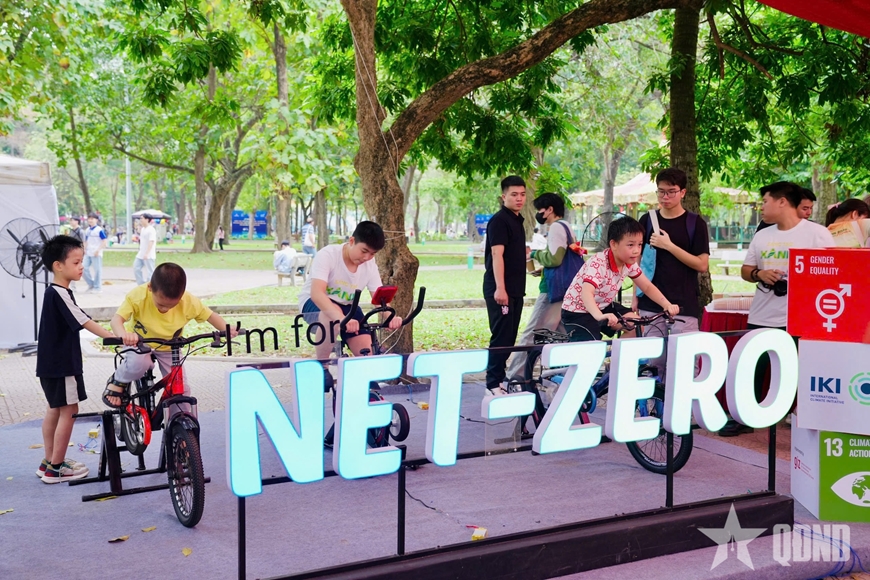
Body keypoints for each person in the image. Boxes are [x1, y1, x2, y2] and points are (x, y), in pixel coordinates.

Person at [721, 181, 836, 436]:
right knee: (754, 366)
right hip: (762, 313)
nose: (761, 207)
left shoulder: (817, 234)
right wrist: (760, 274)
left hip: (802, 317)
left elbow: (833, 272)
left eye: (765, 201)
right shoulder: (762, 235)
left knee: (796, 369)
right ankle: (745, 417)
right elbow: (746, 271)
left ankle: (801, 418)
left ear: (782, 201)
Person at [36, 235, 116, 482]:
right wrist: (115, 338)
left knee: (55, 408)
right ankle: (56, 467)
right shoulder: (59, 293)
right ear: (58, 266)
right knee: (70, 410)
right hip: (63, 366)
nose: (82, 266)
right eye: (76, 262)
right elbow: (84, 320)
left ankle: (49, 461)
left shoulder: (55, 292)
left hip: (50, 365)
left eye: (82, 261)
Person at [102, 262, 237, 408]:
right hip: (139, 342)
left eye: (172, 305)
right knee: (138, 364)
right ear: (150, 288)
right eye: (161, 304)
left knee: (181, 389)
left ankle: (180, 417)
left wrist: (226, 329)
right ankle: (118, 381)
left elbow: (210, 316)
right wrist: (124, 335)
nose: (165, 309)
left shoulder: (189, 301)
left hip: (169, 347)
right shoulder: (138, 296)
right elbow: (116, 320)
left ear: (182, 294)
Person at [636, 168, 710, 382]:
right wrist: (635, 296)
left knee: (684, 364)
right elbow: (638, 262)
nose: (665, 197)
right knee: (652, 364)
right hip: (650, 304)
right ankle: (654, 402)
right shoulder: (647, 220)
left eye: (671, 192)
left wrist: (669, 246)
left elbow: (702, 264)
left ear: (683, 192)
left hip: (684, 303)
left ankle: (681, 403)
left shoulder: (695, 223)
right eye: (661, 191)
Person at [562, 216, 679, 343]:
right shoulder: (598, 262)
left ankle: (615, 354)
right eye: (630, 245)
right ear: (613, 244)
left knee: (637, 326)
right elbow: (586, 293)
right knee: (592, 347)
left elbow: (647, 287)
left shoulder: (629, 263)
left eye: (640, 244)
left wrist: (667, 304)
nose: (636, 251)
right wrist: (599, 316)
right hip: (577, 310)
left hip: (603, 306)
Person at [298, 221, 402, 360]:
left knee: (366, 353)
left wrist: (390, 317)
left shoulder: (370, 264)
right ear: (352, 241)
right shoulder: (328, 255)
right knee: (331, 318)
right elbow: (317, 294)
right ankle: (323, 365)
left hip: (348, 306)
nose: (367, 258)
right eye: (364, 251)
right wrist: (342, 319)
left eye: (373, 254)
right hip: (314, 303)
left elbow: (378, 298)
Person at [505, 192, 572, 383]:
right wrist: (543, 268)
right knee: (561, 335)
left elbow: (555, 259)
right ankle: (563, 376)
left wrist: (535, 254)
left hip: (552, 290)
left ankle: (515, 376)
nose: (539, 214)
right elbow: (562, 259)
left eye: (540, 210)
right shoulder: (567, 226)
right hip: (565, 289)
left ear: (550, 210)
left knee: (533, 333)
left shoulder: (556, 227)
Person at [483, 176, 529, 396]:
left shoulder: (517, 220)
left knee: (509, 338)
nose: (519, 198)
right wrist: (500, 288)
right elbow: (496, 255)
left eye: (522, 194)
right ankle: (492, 384)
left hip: (516, 289)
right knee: (501, 337)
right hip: (501, 289)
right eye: (514, 194)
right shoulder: (499, 221)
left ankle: (500, 380)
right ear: (504, 197)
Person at [82, 212, 107, 294]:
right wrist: (84, 249)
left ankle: (97, 287)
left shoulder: (99, 230)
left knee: (97, 271)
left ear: (96, 220)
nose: (90, 220)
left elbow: (104, 241)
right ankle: (91, 284)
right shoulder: (87, 230)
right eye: (89, 218)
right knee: (83, 268)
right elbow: (86, 241)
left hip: (96, 253)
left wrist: (98, 250)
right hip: (88, 252)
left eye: (92, 219)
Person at [134, 213, 157, 285]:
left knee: (150, 271)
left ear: (147, 219)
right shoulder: (143, 229)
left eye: (142, 218)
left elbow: (151, 241)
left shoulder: (151, 230)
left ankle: (150, 285)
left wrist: (147, 253)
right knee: (136, 268)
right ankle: (141, 284)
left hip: (149, 255)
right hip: (141, 254)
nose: (140, 220)